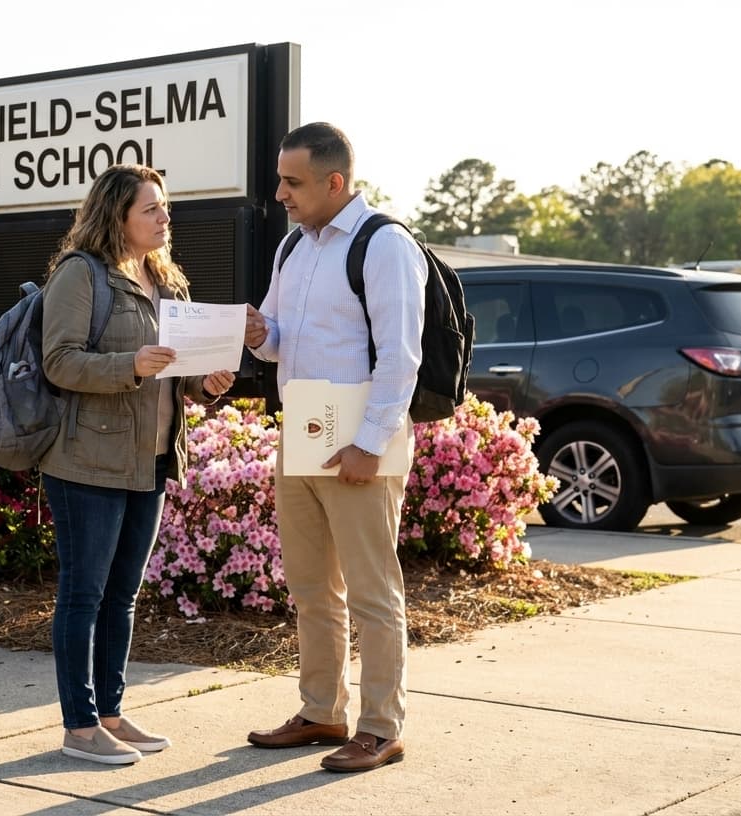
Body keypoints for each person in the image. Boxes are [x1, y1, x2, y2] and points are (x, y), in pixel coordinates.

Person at [243, 122, 426, 772]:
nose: (280, 193)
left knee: (374, 591)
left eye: (292, 182)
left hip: (358, 439)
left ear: (334, 182)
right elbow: (279, 337)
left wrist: (371, 443)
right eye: (280, 180)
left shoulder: (384, 245)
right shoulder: (294, 247)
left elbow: (402, 357)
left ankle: (382, 727)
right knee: (313, 587)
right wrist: (260, 331)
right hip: (303, 429)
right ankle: (323, 711)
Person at [38, 163, 236, 765]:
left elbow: (177, 375)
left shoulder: (166, 281)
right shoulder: (80, 274)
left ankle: (112, 714)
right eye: (151, 208)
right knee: (83, 595)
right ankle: (79, 726)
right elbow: (60, 362)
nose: (164, 217)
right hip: (86, 463)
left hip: (151, 461)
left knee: (122, 596)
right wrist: (130, 365)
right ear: (117, 214)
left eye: (165, 207)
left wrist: (206, 384)